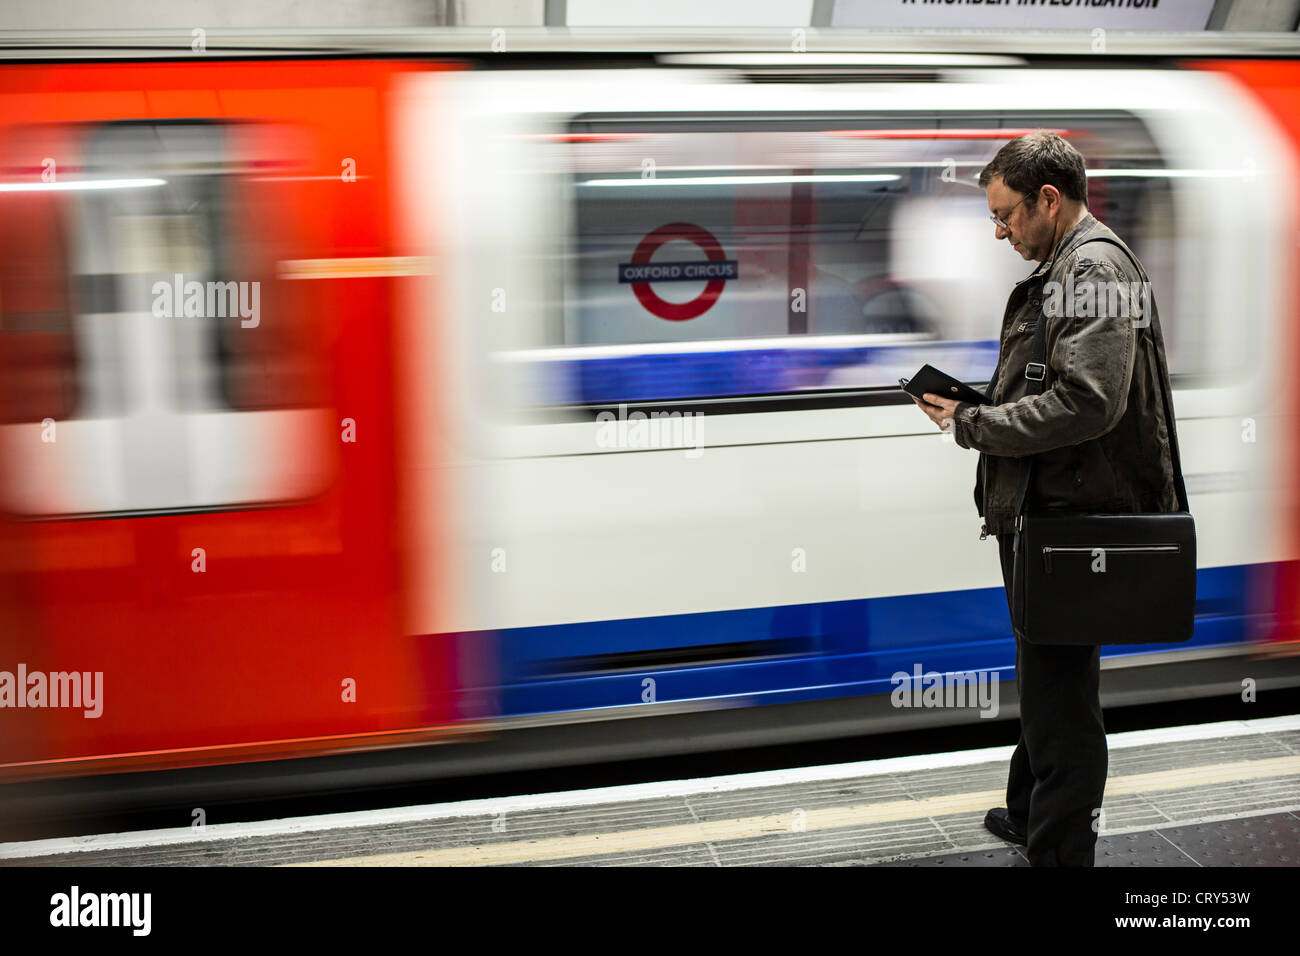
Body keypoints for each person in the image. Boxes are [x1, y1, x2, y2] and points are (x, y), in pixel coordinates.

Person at [908, 131, 1182, 866]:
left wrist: (975, 424)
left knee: (1062, 702)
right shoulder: (1071, 264)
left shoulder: (1093, 268)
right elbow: (1052, 380)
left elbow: (1088, 402)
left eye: (1006, 216)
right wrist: (980, 406)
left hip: (1072, 518)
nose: (1000, 232)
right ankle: (1031, 810)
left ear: (1048, 200)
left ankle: (1060, 850)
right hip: (1051, 509)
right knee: (1047, 675)